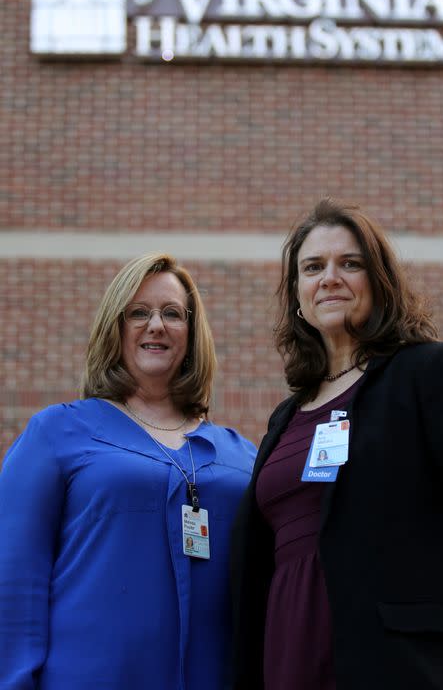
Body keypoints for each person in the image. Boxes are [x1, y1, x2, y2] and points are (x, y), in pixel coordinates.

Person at [231, 199, 443, 690]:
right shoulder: (286, 416)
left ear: (380, 281)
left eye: (350, 263)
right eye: (312, 267)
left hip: (403, 663)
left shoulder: (430, 372)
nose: (329, 277)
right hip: (287, 655)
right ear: (297, 294)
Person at [0, 253, 256, 690]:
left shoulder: (243, 456)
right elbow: (14, 580)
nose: (156, 325)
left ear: (192, 333)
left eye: (172, 313)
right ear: (114, 328)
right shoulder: (58, 432)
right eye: (138, 312)